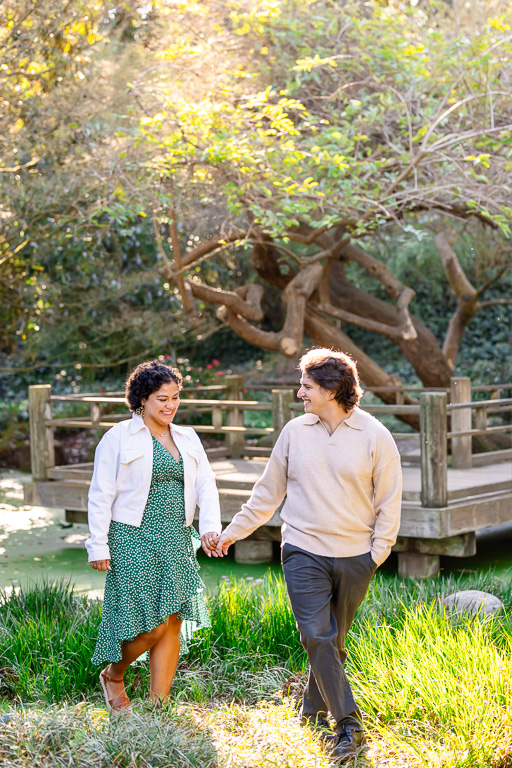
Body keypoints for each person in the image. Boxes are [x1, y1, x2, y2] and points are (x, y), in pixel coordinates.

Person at [216, 348, 402, 761]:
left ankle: (312, 709)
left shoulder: (375, 436)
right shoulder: (294, 432)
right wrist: (232, 534)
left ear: (333, 390)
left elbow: (390, 502)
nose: (299, 392)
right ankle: (350, 727)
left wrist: (376, 555)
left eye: (307, 386)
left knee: (332, 643)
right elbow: (267, 494)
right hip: (303, 549)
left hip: (356, 556)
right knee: (317, 636)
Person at [86, 359, 221, 711]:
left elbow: (206, 485)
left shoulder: (187, 437)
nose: (170, 405)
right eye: (162, 398)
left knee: (172, 619)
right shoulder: (117, 437)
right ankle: (113, 675)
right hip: (132, 536)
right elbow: (101, 494)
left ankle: (158, 706)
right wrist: (97, 543)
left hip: (176, 537)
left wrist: (209, 527)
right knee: (149, 623)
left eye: (175, 397)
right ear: (142, 400)